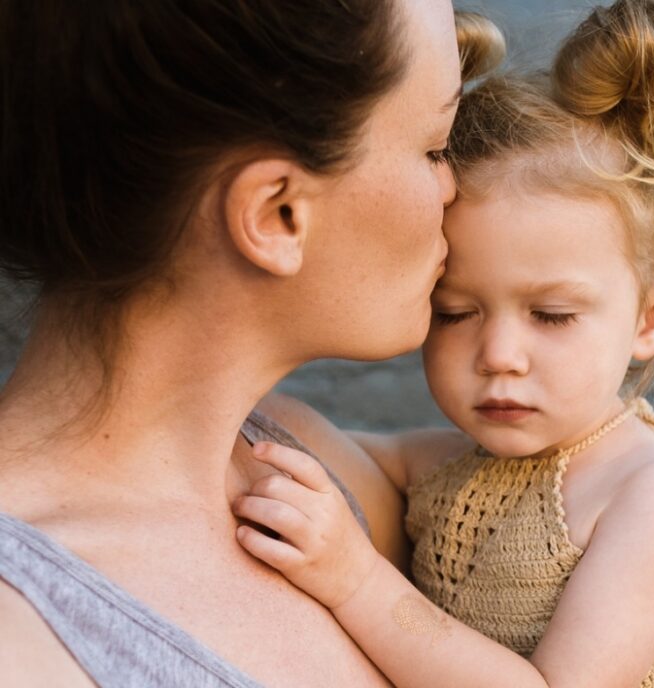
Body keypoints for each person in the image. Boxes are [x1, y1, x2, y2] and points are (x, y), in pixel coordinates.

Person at [232, 1, 654, 686]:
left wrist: (354, 579)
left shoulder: (653, 496)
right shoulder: (444, 466)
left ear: (652, 318)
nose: (499, 353)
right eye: (456, 311)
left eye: (551, 315)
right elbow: (303, 440)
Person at [0, 1, 502, 685]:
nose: (456, 187)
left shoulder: (314, 466)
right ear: (277, 214)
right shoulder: (22, 641)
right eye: (436, 148)